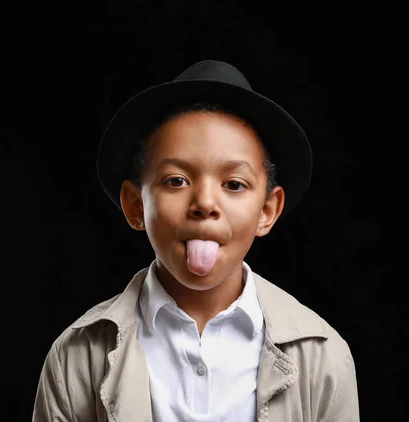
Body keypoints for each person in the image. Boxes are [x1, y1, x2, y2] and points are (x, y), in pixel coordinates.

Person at [32, 60, 360, 422]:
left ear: (267, 210)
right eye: (176, 180)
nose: (204, 203)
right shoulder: (77, 357)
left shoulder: (323, 358)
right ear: (135, 205)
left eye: (234, 184)